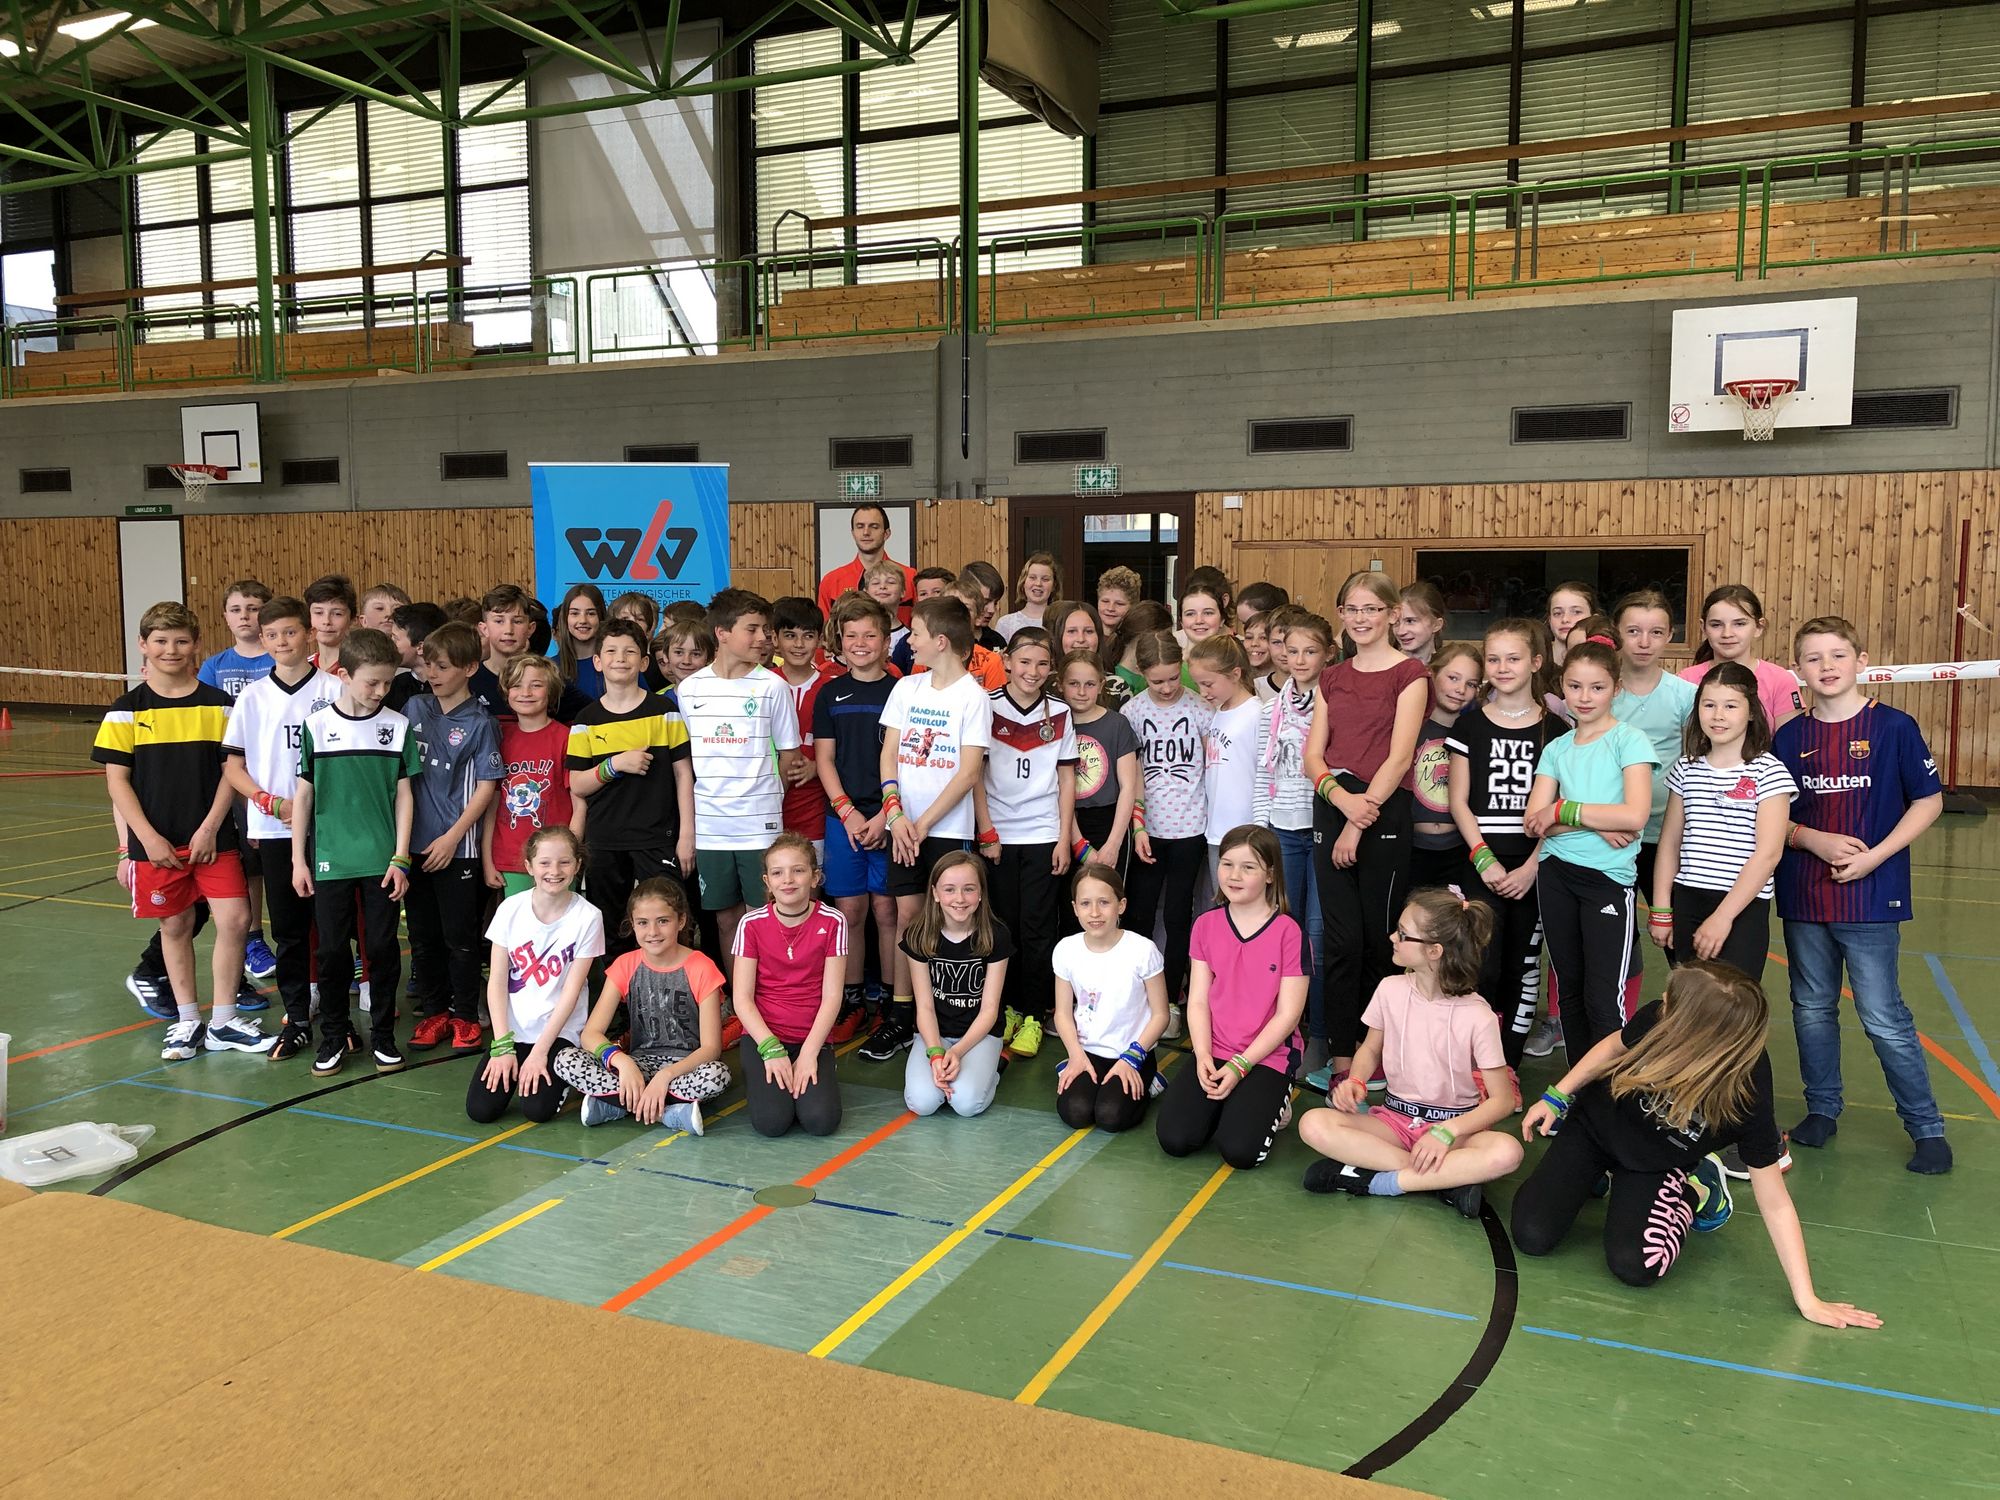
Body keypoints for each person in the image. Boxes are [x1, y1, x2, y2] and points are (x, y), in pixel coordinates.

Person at [1513, 962, 1881, 1327]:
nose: (1661, 1000)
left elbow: (1775, 1201)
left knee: (1636, 1265)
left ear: (1694, 1029)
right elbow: (1613, 1046)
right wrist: (1556, 1096)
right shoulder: (1658, 1018)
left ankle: (1697, 1190)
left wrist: (1808, 1299)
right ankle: (1594, 1177)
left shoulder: (1748, 1090)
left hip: (1657, 1160)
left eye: (1669, 1001)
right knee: (1532, 1235)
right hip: (1596, 1127)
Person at [1774, 616, 1950, 1175]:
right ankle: (1822, 1110)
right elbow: (1769, 817)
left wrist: (1875, 856)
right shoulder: (1788, 737)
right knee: (1811, 1008)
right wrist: (1810, 839)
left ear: (1861, 661)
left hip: (1872, 898)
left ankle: (1926, 1128)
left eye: (1837, 655)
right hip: (1805, 895)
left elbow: (1928, 800)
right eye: (1813, 657)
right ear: (1797, 668)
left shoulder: (1895, 727)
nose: (1826, 666)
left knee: (1882, 1015)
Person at [96, 601, 271, 1061]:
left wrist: (211, 827)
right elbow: (117, 782)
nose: (170, 649)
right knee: (176, 924)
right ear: (143, 645)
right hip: (155, 844)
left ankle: (224, 1020)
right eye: (160, 641)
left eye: (180, 641)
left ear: (196, 646)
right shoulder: (125, 711)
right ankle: (188, 1019)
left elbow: (230, 771)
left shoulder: (220, 706)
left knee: (235, 919)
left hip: (214, 840)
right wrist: (145, 839)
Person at [1299, 888, 1523, 1217]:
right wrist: (1356, 1080)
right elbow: (1370, 1049)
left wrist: (1447, 1132)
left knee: (1507, 1152)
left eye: (1403, 934)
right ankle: (1445, 1180)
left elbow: (1502, 1101)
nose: (1392, 937)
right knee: (1313, 1123)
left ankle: (1379, 1180)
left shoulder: (1479, 1015)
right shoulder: (1390, 989)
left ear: (1434, 951)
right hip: (1393, 1122)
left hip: (1455, 1130)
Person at [1305, 570, 1430, 1091]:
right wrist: (1341, 802)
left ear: (1392, 614)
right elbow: (1313, 756)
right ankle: (1341, 1057)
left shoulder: (1410, 674)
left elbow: (1400, 756)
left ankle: (1373, 1054)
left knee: (1380, 941)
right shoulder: (1332, 677)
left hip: (1383, 810)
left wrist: (1358, 821)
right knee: (1341, 942)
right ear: (1341, 615)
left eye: (1371, 609)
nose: (1361, 619)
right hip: (1336, 804)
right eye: (1352, 609)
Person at [863, 596, 991, 1061]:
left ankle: (943, 1015)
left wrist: (921, 823)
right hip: (904, 826)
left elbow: (969, 772)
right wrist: (895, 814)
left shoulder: (974, 697)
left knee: (949, 919)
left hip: (946, 831)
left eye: (915, 633)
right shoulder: (907, 688)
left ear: (940, 641)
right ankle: (902, 1014)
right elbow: (889, 753)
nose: (909, 641)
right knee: (907, 916)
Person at [290, 627, 421, 1077]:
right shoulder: (316, 726)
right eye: (372, 682)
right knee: (330, 952)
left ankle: (383, 1036)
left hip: (382, 861)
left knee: (382, 949)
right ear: (344, 675)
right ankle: (333, 1035)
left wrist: (401, 856)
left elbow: (404, 796)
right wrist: (299, 859)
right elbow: (303, 796)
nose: (381, 691)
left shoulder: (397, 726)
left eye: (387, 682)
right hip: (331, 861)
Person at [1523, 632, 1657, 1055]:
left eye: (1597, 687)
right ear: (1562, 686)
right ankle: (1577, 1088)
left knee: (1603, 999)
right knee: (1570, 993)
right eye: (1575, 686)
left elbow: (1634, 816)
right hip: (1556, 874)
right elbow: (1534, 821)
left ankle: (1609, 1089)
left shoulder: (1629, 741)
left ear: (1616, 689)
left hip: (1606, 880)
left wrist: (1563, 810)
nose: (1584, 697)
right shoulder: (1558, 748)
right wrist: (1594, 822)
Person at [222, 596, 342, 1061]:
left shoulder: (334, 689)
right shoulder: (252, 697)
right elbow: (233, 767)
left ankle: (336, 1021)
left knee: (332, 930)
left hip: (328, 828)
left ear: (307, 634)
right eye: (271, 635)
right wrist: (268, 801)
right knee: (290, 930)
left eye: (290, 632)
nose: (281, 642)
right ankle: (296, 1016)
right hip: (275, 828)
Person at [1155, 826, 1308, 1168]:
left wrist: (1240, 1066)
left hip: (1266, 1056)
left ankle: (1272, 1101)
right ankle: (1233, 1104)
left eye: (1248, 867)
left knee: (1240, 1152)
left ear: (1270, 874)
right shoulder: (1205, 925)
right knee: (1175, 1139)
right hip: (1215, 1049)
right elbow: (1197, 1001)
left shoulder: (1289, 932)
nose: (1234, 875)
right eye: (1227, 864)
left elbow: (1288, 1016)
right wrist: (1202, 1055)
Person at [1447, 619, 1558, 1069]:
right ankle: (1477, 1063)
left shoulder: (1558, 730)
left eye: (1514, 658)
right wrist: (1484, 858)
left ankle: (1507, 1066)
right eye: (1493, 659)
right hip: (1482, 864)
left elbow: (1559, 806)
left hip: (1534, 866)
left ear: (1535, 662)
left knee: (1522, 965)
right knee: (1481, 965)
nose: (1503, 667)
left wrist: (1533, 866)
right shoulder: (1469, 726)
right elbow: (1458, 800)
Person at [674, 588, 803, 954]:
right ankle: (736, 989)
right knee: (726, 920)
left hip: (760, 825)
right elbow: (686, 762)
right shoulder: (690, 689)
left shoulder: (773, 686)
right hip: (711, 828)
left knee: (764, 918)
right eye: (752, 629)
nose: (762, 638)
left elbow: (790, 755)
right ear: (722, 633)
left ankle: (768, 989)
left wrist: (768, 796)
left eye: (765, 629)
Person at [1651, 661, 1793, 983]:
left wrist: (1723, 917)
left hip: (1741, 906)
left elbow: (1768, 854)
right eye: (1709, 705)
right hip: (1688, 898)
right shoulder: (1686, 769)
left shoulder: (1769, 772)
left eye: (1730, 706)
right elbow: (1670, 843)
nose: (1718, 715)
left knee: (1732, 1001)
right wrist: (1661, 908)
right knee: (1690, 1000)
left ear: (1751, 712)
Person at [972, 627, 1076, 1058]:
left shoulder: (1060, 712)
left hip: (1043, 834)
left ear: (1052, 668)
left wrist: (1064, 838)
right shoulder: (985, 704)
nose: (1032, 671)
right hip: (998, 835)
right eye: (1025, 661)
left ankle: (1033, 1013)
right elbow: (975, 774)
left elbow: (1067, 779)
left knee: (1038, 928)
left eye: (1042, 663)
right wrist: (986, 831)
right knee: (1003, 925)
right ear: (1008, 662)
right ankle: (1008, 1009)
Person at [556, 873, 728, 1134]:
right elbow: (591, 1034)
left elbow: (711, 1048)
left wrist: (665, 1076)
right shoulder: (625, 965)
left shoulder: (702, 967)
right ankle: (669, 1112)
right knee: (565, 1060)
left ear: (681, 921)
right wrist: (622, 1063)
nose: (653, 932)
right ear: (633, 925)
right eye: (643, 923)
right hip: (638, 1066)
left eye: (663, 921)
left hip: (685, 1069)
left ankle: (619, 1105)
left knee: (718, 1075)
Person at [565, 618, 695, 960]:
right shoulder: (586, 719)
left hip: (657, 836)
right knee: (612, 929)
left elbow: (684, 774)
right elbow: (577, 784)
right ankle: (619, 992)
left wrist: (687, 835)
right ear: (597, 661)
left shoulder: (664, 712)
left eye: (629, 651)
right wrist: (615, 765)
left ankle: (671, 989)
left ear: (644, 661)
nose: (620, 658)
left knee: (669, 920)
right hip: (604, 839)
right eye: (611, 651)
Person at [403, 622, 504, 1053]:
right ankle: (434, 1013)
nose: (433, 673)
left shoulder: (481, 722)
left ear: (470, 668)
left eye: (443, 666)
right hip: (413, 846)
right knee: (422, 937)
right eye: (429, 665)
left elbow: (487, 787)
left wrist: (452, 838)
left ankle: (465, 1015)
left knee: (460, 939)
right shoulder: (414, 707)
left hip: (457, 850)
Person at [466, 827, 604, 1124]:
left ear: (578, 865)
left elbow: (571, 992)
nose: (554, 871)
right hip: (513, 1031)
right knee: (481, 1110)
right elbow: (497, 981)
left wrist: (541, 1052)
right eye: (544, 863)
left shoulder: (589, 917)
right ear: (529, 866)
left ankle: (570, 1068)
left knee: (537, 1110)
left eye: (564, 862)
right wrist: (502, 1045)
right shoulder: (510, 909)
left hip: (558, 1032)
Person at [816, 594, 900, 1033]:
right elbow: (824, 760)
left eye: (870, 635)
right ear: (840, 641)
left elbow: (908, 761)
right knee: (848, 912)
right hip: (842, 820)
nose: (861, 644)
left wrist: (887, 816)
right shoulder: (829, 693)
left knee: (887, 912)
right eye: (852, 636)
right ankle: (850, 1002)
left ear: (886, 641)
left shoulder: (903, 692)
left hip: (890, 816)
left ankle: (889, 998)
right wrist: (846, 811)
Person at [1122, 630, 1212, 1027]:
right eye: (1157, 680)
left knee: (1179, 915)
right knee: (1141, 914)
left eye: (1173, 677)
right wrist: (1138, 826)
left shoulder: (1200, 708)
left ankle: (1172, 997)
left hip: (1191, 828)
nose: (1167, 687)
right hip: (1148, 830)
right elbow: (1132, 777)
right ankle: (1137, 994)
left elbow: (1212, 767)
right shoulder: (1132, 711)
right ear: (1142, 674)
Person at [1253, 609, 1330, 1076]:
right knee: (1285, 932)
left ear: (1328, 654)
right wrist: (1258, 836)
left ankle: (1319, 1034)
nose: (1299, 659)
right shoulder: (1271, 710)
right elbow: (1263, 776)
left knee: (1317, 936)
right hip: (1281, 832)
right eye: (1290, 649)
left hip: (1320, 832)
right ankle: (1284, 1028)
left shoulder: (1333, 705)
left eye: (1310, 651)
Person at [732, 835, 848, 1137]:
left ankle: (817, 1071)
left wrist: (809, 1053)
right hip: (764, 1036)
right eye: (778, 872)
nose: (788, 880)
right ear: (767, 882)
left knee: (821, 1122)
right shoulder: (751, 924)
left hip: (812, 1036)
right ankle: (769, 1083)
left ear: (815, 877)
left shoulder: (833, 921)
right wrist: (771, 1049)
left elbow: (832, 996)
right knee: (772, 1123)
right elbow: (741, 998)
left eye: (798, 870)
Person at [1611, 589, 1698, 962]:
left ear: (1669, 635)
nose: (1644, 642)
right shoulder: (1599, 692)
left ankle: (1689, 1000)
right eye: (1633, 631)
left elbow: (1695, 763)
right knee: (1615, 944)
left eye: (1656, 632)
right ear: (1617, 631)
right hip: (1611, 837)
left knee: (1680, 943)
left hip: (1668, 839)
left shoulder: (1686, 695)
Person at [1053, 863, 1169, 1133]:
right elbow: (1062, 1013)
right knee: (1076, 1112)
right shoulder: (1066, 950)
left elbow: (1161, 1015)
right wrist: (1075, 1055)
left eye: (1104, 902)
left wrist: (1132, 1058)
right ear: (1075, 908)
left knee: (1110, 1116)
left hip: (1133, 1053)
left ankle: (1151, 1081)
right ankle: (1073, 1068)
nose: (1094, 912)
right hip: (1088, 1052)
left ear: (1121, 905)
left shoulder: (1142, 950)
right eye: (1086, 903)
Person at [902, 852, 1013, 1119]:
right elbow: (925, 1007)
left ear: (981, 893)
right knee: (922, 1103)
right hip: (934, 1033)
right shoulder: (918, 935)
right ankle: (956, 1072)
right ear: (935, 893)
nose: (960, 898)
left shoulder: (996, 935)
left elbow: (989, 1009)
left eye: (969, 889)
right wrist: (936, 1053)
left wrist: (958, 1051)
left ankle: (993, 1068)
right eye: (949, 889)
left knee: (966, 1105)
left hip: (979, 1036)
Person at [483, 655, 577, 900]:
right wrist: (487, 859)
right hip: (510, 856)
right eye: (516, 685)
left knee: (560, 920)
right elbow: (492, 803)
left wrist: (574, 854)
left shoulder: (566, 738)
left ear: (550, 691)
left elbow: (579, 803)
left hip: (557, 860)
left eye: (536, 685)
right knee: (519, 922)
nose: (525, 693)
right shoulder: (499, 737)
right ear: (507, 692)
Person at [1060, 650, 1139, 885]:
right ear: (1061, 684)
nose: (1081, 692)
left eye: (1090, 684)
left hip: (1110, 822)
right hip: (1067, 821)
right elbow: (1055, 785)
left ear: (1102, 685)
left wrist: (1113, 844)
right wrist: (1079, 845)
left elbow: (1128, 787)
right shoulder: (1056, 725)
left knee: (1109, 894)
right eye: (1073, 684)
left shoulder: (1117, 724)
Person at [1187, 634, 1260, 883]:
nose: (1203, 692)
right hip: (1217, 829)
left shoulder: (1256, 714)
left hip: (1247, 830)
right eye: (1198, 685)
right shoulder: (1218, 713)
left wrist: (1259, 826)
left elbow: (1265, 775)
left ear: (1235, 674)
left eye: (1208, 684)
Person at [1679, 584, 1800, 733]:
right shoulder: (1685, 680)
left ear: (1758, 627)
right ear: (1703, 628)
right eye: (1716, 625)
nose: (1727, 633)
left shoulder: (1780, 680)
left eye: (1739, 624)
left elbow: (1790, 741)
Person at [1409, 642, 1482, 890]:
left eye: (1471, 684)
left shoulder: (1474, 731)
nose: (1460, 690)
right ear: (1431, 673)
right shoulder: (1411, 726)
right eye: (1453, 678)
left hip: (1458, 849)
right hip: (1412, 847)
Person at [769, 595, 831, 855]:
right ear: (775, 639)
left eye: (807, 636)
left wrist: (818, 767)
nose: (798, 644)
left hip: (813, 807)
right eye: (790, 635)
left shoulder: (831, 688)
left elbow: (849, 747)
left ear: (819, 639)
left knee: (809, 874)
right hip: (765, 808)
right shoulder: (762, 685)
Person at [818, 502, 915, 623]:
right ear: (853, 533)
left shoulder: (910, 577)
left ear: (886, 534)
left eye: (874, 527)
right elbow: (825, 630)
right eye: (860, 526)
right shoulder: (831, 581)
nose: (866, 532)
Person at [198, 577, 274, 699]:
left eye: (253, 609)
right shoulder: (213, 666)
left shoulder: (284, 660)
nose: (244, 616)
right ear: (226, 617)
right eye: (235, 610)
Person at [469, 583, 536, 721]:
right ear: (484, 628)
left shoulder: (547, 679)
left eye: (517, 621)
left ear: (530, 628)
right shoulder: (468, 680)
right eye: (499, 621)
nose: (508, 630)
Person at [1047, 600, 1128, 708]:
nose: (1081, 639)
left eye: (1089, 631)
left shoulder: (1117, 686)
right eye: (1072, 631)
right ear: (1060, 637)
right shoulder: (1044, 683)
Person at [385, 600, 446, 713]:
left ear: (420, 647)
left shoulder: (447, 686)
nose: (389, 644)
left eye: (395, 638)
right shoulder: (397, 684)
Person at [552, 582, 606, 701]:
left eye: (591, 613)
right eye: (575, 613)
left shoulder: (616, 664)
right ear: (565, 618)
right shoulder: (551, 668)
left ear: (601, 617)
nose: (583, 620)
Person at [995, 552, 1060, 643]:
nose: (1038, 583)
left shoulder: (1060, 623)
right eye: (1032, 577)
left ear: (1054, 585)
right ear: (1023, 582)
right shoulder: (1006, 623)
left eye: (1045, 579)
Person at [1544, 580, 1597, 669]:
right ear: (1549, 619)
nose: (1565, 619)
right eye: (1557, 613)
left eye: (1576, 612)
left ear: (1594, 619)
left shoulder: (1606, 659)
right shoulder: (1534, 657)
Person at [1394, 581, 1448, 666]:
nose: (1400, 632)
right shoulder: (1385, 666)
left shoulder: (1448, 668)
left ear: (1436, 625)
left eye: (1410, 621)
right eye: (1396, 622)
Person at [657, 615, 714, 691]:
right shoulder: (659, 698)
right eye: (678, 652)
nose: (686, 661)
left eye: (696, 654)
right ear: (665, 655)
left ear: (709, 658)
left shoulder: (721, 696)